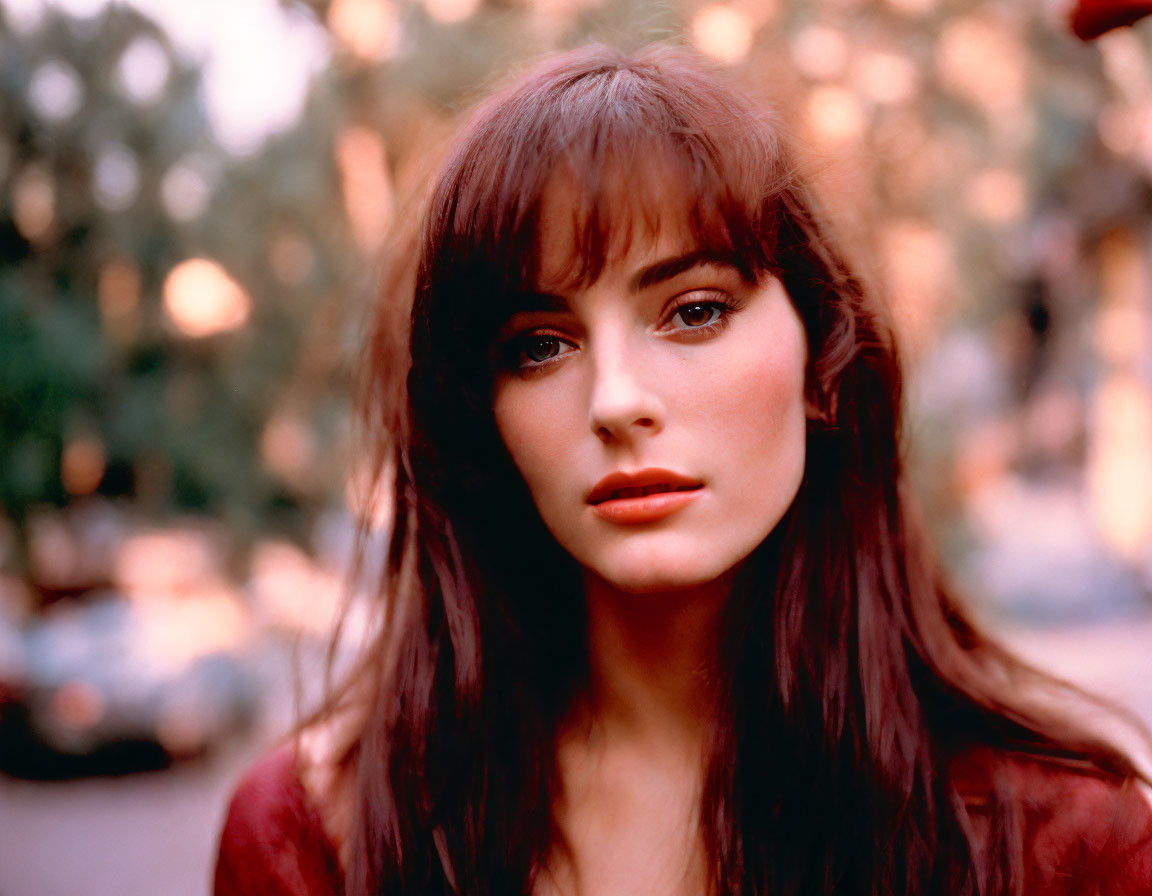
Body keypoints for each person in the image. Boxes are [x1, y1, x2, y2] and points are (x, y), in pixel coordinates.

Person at [214, 44, 1152, 896]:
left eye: (694, 310)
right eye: (539, 345)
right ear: (483, 424)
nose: (616, 401)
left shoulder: (1067, 845)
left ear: (823, 361)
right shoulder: (315, 845)